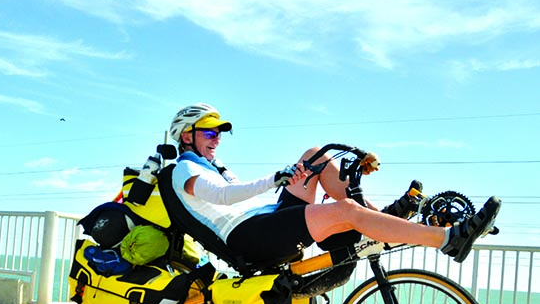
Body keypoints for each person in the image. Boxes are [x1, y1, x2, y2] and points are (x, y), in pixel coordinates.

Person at [167, 103, 501, 266]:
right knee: (345, 211)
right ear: (187, 136)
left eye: (219, 134)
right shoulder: (183, 170)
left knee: (316, 155)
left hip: (267, 217)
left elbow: (239, 193)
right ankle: (447, 240)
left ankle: (381, 217)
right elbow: (224, 198)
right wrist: (275, 179)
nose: (217, 140)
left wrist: (292, 180)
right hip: (250, 237)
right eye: (210, 133)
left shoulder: (215, 166)